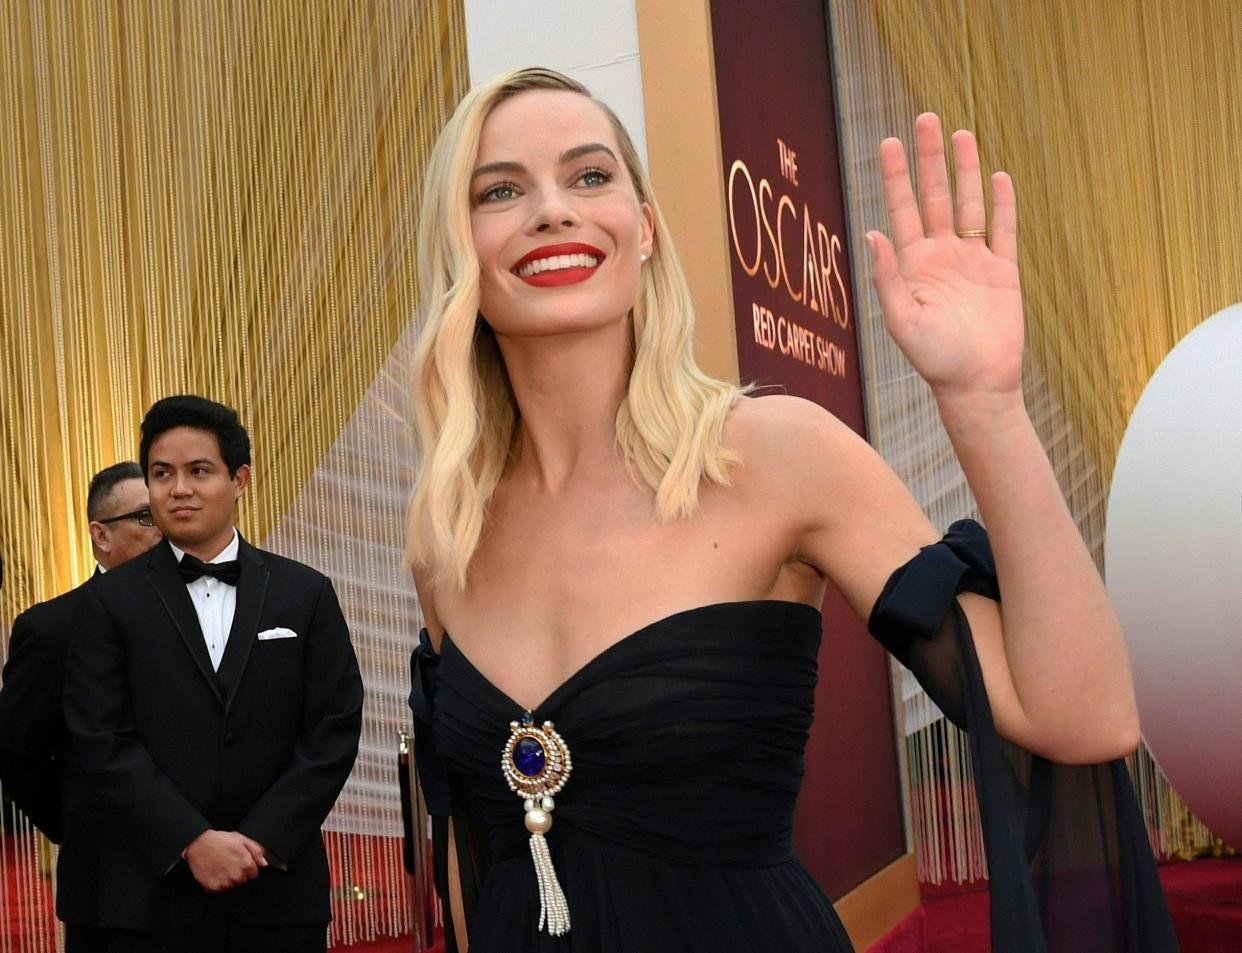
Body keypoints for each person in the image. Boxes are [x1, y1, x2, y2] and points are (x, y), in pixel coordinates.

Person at [405, 68, 1177, 952]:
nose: (552, 210)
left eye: (590, 176)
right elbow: (479, 861)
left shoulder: (775, 453)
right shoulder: (448, 532)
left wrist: (985, 403)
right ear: (459, 245)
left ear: (645, 227)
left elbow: (1085, 717)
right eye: (500, 190)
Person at [64, 396, 364, 953]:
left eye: (199, 471)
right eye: (162, 474)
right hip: (151, 896)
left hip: (277, 889)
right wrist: (192, 841)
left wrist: (259, 839)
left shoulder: (305, 593)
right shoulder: (108, 603)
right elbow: (100, 738)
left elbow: (333, 728)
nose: (179, 489)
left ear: (239, 479)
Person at [0, 462, 161, 953]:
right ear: (101, 535)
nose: (167, 529)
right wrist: (82, 821)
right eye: (146, 518)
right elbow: (17, 752)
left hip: (220, 890)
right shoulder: (52, 630)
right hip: (110, 887)